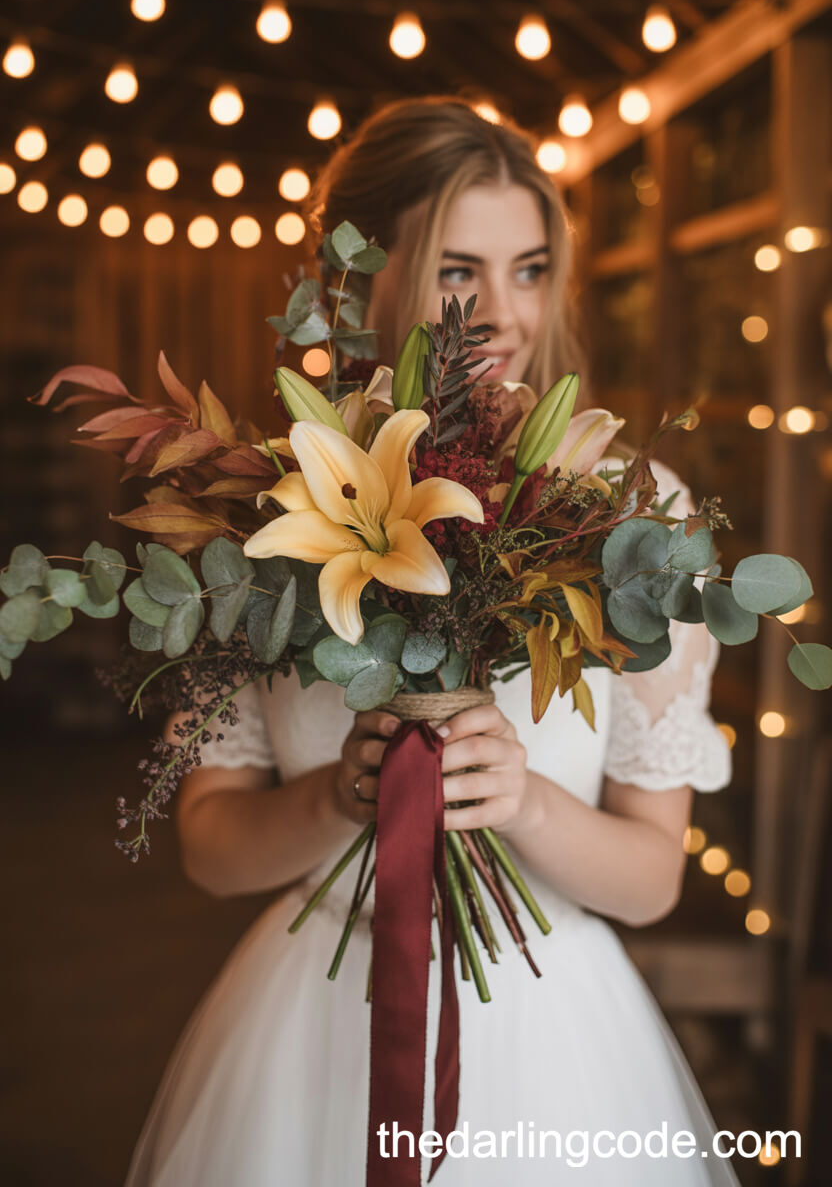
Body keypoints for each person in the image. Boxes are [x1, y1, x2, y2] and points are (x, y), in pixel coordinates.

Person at [125, 97, 739, 1186]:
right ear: (361, 277)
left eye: (530, 268)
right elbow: (210, 850)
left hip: (554, 1042)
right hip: (314, 1018)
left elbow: (651, 880)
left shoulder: (634, 521)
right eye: (460, 271)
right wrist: (335, 798)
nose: (501, 312)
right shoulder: (271, 509)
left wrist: (523, 800)